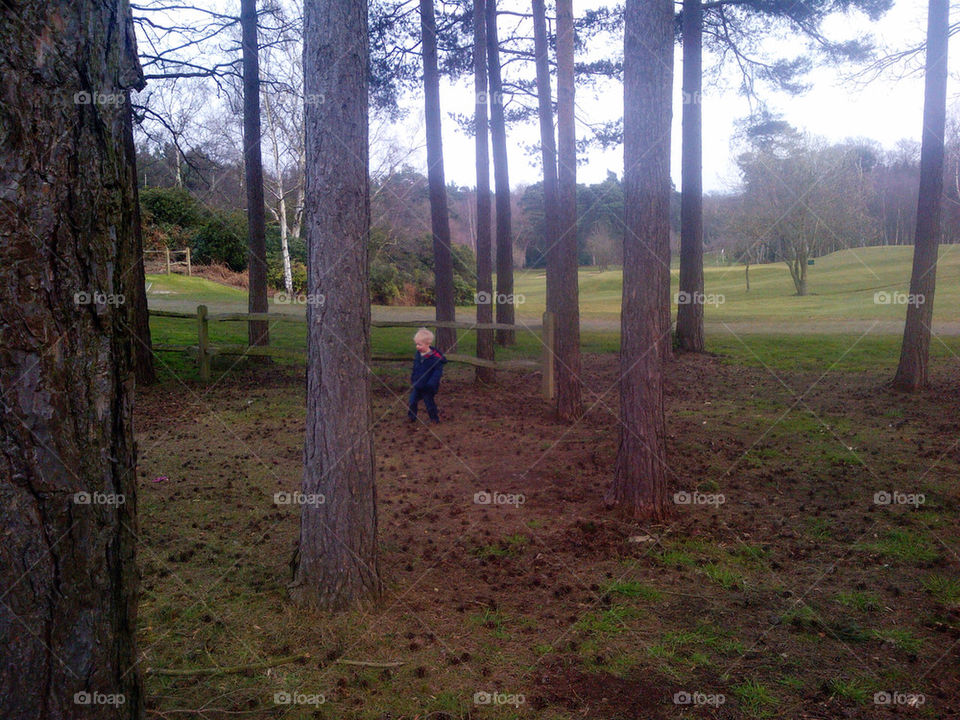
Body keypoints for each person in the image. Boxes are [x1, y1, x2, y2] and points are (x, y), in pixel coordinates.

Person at [409, 327, 446, 424]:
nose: (417, 347)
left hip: (428, 387)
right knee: (412, 401)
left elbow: (437, 373)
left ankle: (434, 419)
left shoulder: (435, 358)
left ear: (427, 344)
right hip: (417, 385)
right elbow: (415, 368)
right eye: (416, 344)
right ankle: (411, 417)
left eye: (419, 344)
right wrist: (413, 379)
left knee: (429, 404)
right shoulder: (418, 355)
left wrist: (431, 384)